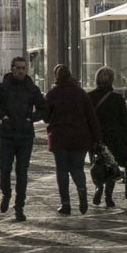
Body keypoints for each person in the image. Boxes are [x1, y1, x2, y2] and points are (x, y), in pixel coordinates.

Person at [0, 56, 49, 221]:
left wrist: (32, 118)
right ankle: (6, 194)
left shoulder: (32, 88)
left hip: (25, 135)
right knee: (4, 169)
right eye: (18, 68)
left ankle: (19, 206)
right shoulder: (2, 87)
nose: (21, 71)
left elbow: (44, 109)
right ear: (12, 69)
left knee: (22, 173)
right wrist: (3, 116)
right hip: (7, 134)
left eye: (24, 68)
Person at [43, 64, 100, 215]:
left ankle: (65, 203)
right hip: (80, 137)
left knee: (62, 170)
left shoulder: (52, 94)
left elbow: (45, 117)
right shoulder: (81, 93)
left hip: (59, 137)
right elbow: (91, 118)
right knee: (77, 168)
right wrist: (97, 138)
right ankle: (81, 190)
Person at [90, 67, 127, 208]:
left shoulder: (90, 97)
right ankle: (108, 195)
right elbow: (125, 122)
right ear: (112, 80)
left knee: (97, 164)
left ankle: (98, 187)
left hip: (96, 138)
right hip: (115, 138)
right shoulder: (118, 99)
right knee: (111, 166)